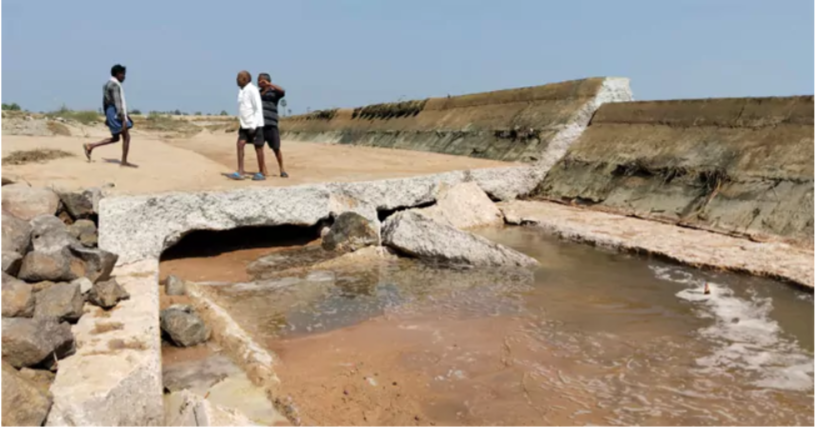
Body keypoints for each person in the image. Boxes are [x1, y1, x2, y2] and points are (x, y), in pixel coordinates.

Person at [83, 64, 136, 167]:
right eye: (122, 74)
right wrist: (122, 118)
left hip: (110, 111)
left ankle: (90, 146)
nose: (124, 77)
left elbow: (105, 102)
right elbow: (118, 102)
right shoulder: (115, 86)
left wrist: (107, 115)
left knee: (116, 138)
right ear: (117, 74)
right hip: (116, 112)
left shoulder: (107, 84)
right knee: (126, 136)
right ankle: (124, 162)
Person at [228, 70, 266, 180]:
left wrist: (253, 126)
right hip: (244, 124)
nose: (236, 80)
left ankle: (261, 173)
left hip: (255, 124)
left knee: (258, 148)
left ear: (245, 79)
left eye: (238, 78)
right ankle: (240, 171)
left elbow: (258, 108)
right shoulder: (242, 91)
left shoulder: (252, 90)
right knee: (240, 145)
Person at [258, 73, 288, 178]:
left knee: (276, 148)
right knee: (259, 148)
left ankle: (282, 169)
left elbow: (283, 91)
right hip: (260, 124)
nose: (259, 82)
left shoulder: (275, 93)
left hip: (272, 123)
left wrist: (269, 85)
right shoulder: (258, 93)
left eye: (262, 80)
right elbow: (257, 99)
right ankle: (263, 170)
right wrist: (265, 89)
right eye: (259, 81)